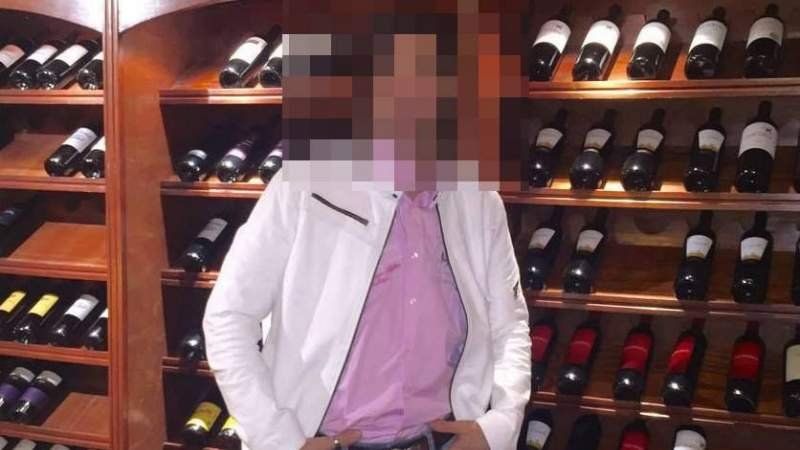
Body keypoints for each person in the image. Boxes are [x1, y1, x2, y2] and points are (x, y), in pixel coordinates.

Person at [203, 172, 531, 450]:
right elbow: (229, 316)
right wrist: (276, 439)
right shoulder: (305, 180)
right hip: (319, 437)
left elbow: (509, 325)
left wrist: (500, 425)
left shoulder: (479, 200)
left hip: (442, 438)